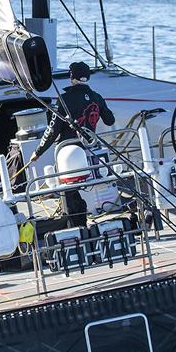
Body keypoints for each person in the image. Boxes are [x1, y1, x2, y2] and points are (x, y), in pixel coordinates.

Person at [30, 61, 115, 228]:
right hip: (89, 148)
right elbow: (110, 120)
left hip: (68, 152)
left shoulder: (64, 99)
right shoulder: (97, 97)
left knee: (69, 190)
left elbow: (53, 130)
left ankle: (74, 220)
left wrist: (38, 151)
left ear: (71, 77)